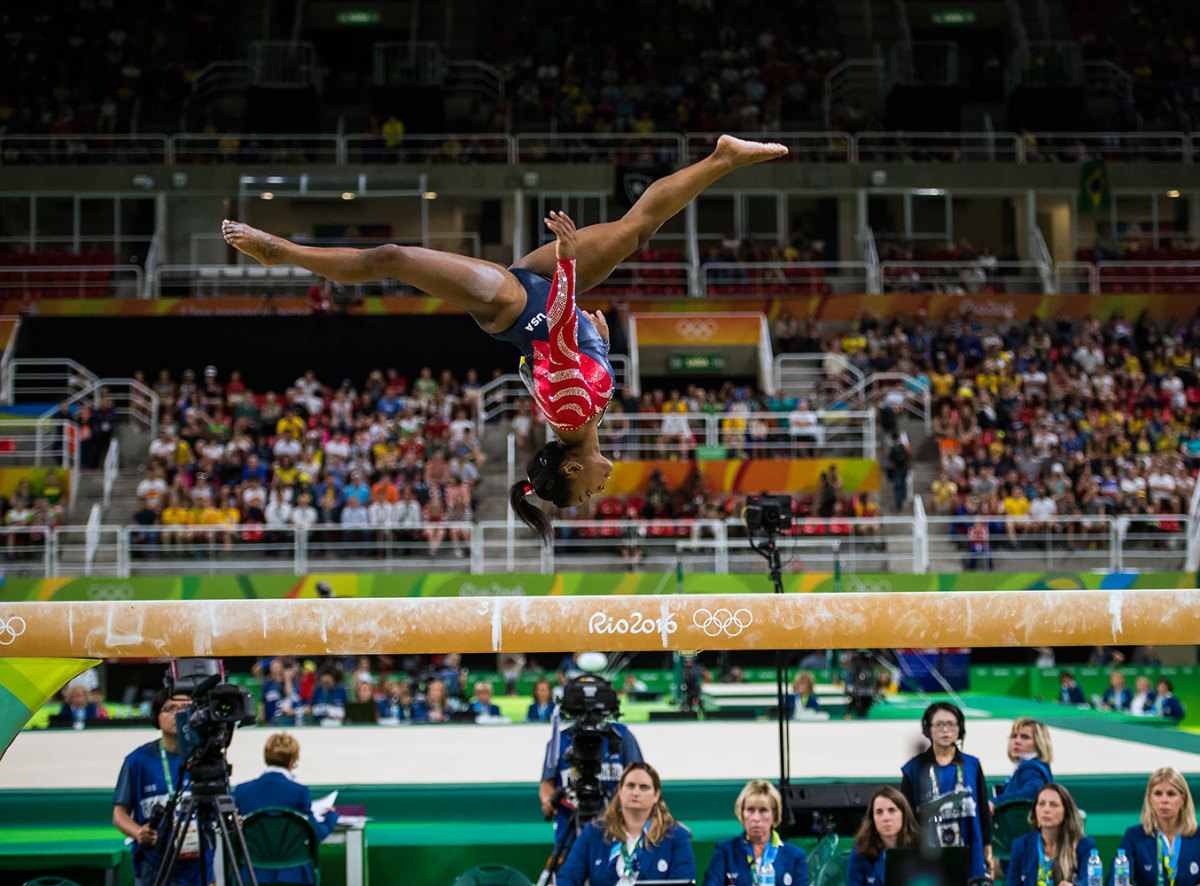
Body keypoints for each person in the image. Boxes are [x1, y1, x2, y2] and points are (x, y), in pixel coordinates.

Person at [221, 135, 788, 541]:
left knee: (391, 258)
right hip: (538, 304)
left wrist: (567, 268)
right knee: (635, 231)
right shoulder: (582, 420)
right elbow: (545, 361)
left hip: (516, 305)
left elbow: (560, 335)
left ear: (571, 469)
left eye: (586, 492)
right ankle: (723, 157)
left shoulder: (570, 417)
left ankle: (284, 253)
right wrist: (598, 343)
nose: (597, 490)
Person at [112, 688, 214, 886]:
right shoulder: (137, 760)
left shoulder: (208, 758)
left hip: (199, 867)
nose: (178, 713)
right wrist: (138, 832)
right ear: (156, 718)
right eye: (170, 708)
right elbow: (119, 814)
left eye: (185, 707)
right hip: (153, 865)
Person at [555, 762, 695, 886]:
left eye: (644, 787)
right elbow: (568, 877)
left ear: (656, 795)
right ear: (620, 791)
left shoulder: (676, 837)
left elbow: (683, 880)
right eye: (630, 785)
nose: (636, 792)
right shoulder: (593, 833)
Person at [900, 702, 993, 880]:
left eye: (951, 724)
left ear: (960, 729)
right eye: (939, 724)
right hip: (928, 855)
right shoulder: (913, 769)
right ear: (927, 729)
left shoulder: (972, 765)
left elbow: (982, 809)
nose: (945, 730)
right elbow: (907, 816)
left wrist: (987, 847)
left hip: (969, 850)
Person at [234, 733, 339, 885]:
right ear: (292, 762)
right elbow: (316, 834)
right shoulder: (300, 792)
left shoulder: (242, 791)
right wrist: (331, 818)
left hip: (252, 874)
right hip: (294, 873)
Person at [540, 706, 644, 833]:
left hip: (617, 826)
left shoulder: (621, 735)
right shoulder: (559, 740)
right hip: (570, 825)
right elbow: (547, 782)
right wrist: (548, 801)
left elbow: (640, 777)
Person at [703, 779, 809, 886]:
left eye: (763, 810)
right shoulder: (725, 851)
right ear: (742, 813)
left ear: (774, 814)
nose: (756, 818)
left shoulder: (795, 856)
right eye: (750, 810)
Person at [1111, 767, 1200, 886]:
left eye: (1171, 794)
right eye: (1158, 794)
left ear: (1182, 799)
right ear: (1150, 799)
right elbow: (1114, 878)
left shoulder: (1198, 836)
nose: (1164, 800)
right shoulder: (1134, 836)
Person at [1007, 783, 1096, 886]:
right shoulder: (1020, 845)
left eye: (1053, 804)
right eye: (1041, 804)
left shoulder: (1084, 845)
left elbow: (1091, 881)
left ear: (1066, 812)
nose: (1046, 810)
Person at [847, 786, 921, 886]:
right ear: (872, 819)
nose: (886, 818)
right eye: (879, 812)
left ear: (904, 814)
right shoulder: (860, 851)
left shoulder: (921, 847)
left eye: (892, 810)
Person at [992, 717, 1054, 808]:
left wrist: (996, 802)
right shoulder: (1036, 766)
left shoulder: (1031, 768)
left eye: (1025, 737)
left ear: (1039, 743)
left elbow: (1032, 792)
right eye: (1014, 736)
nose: (1017, 741)